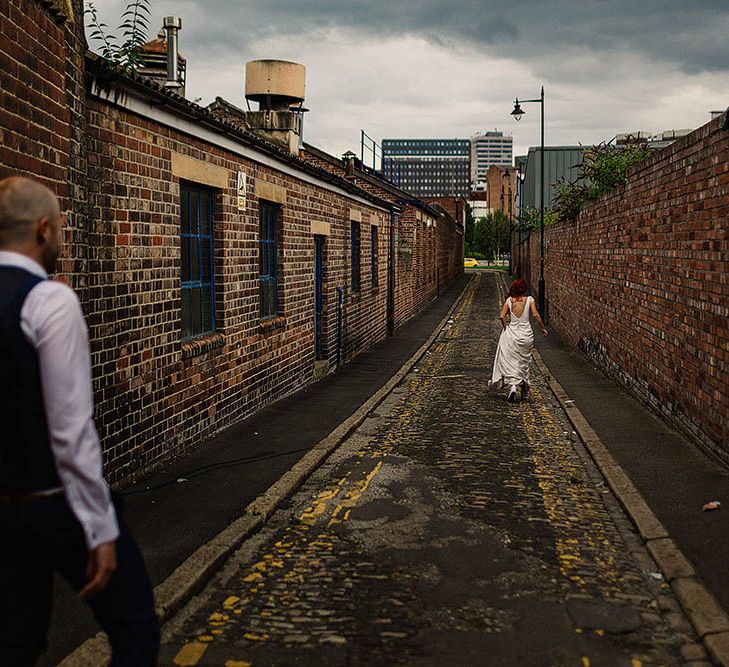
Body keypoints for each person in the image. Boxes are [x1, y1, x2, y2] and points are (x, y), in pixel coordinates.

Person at [0, 177, 159, 665]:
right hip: (55, 505)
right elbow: (70, 431)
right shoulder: (49, 301)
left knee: (17, 645)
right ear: (44, 230)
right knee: (134, 627)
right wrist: (101, 527)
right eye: (63, 230)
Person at [491, 278, 548, 402]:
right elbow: (536, 315)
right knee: (523, 362)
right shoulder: (529, 300)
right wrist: (543, 328)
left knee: (511, 360)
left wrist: (506, 327)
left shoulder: (509, 301)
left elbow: (501, 316)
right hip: (525, 334)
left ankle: (512, 386)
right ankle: (522, 387)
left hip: (511, 334)